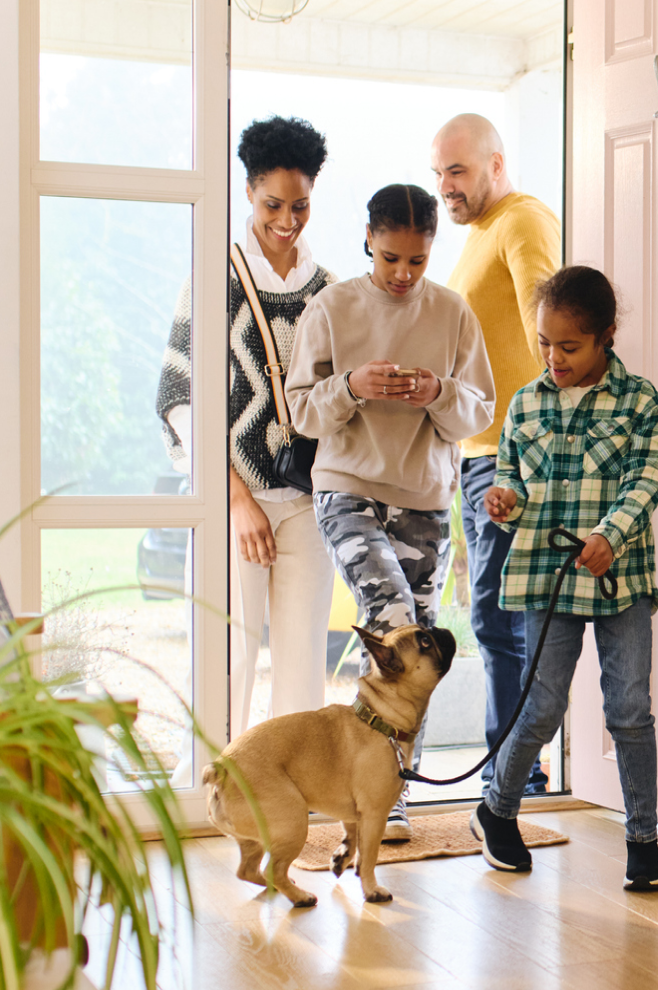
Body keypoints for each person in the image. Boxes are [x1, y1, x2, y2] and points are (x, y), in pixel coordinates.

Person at [285, 183, 495, 841]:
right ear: (368, 242)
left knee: (420, 651)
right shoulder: (332, 307)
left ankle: (384, 795)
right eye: (391, 260)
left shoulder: (454, 313)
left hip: (426, 499)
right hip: (346, 487)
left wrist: (436, 391)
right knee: (397, 625)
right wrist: (350, 387)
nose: (403, 274)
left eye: (417, 262)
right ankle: (369, 792)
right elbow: (300, 409)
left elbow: (480, 410)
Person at [469, 265, 658, 892]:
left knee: (629, 709)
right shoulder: (526, 403)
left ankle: (643, 838)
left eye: (569, 346)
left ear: (605, 337)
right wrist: (504, 500)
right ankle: (496, 811)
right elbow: (516, 482)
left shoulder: (643, 403)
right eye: (544, 344)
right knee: (542, 706)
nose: (554, 358)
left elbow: (646, 480)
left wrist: (610, 535)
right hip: (544, 578)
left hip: (620, 577)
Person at [156, 115, 336, 741]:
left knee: (302, 669)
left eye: (301, 205)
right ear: (248, 193)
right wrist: (234, 498)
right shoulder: (214, 280)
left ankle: (296, 802)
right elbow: (180, 397)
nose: (287, 220)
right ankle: (209, 795)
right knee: (224, 661)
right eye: (272, 204)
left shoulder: (328, 290)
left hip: (309, 505)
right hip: (233, 501)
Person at [430, 112, 561, 794]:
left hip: (512, 454)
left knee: (500, 614)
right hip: (478, 453)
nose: (446, 186)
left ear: (496, 164)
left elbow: (552, 331)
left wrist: (531, 448)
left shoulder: (521, 221)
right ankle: (516, 769)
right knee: (494, 615)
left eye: (458, 170)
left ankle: (515, 774)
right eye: (439, 173)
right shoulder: (479, 234)